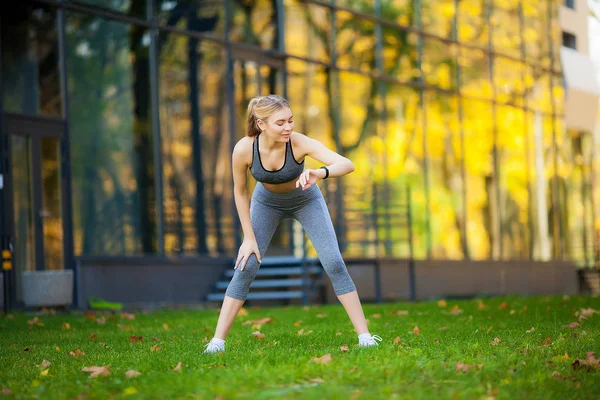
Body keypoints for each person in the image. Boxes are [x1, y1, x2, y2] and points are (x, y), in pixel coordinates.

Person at [203, 94, 382, 354]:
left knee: (333, 262)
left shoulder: (298, 143)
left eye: (291, 120)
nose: (288, 127)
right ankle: (217, 342)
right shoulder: (244, 148)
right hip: (266, 203)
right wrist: (248, 238)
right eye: (280, 123)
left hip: (305, 200)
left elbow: (347, 163)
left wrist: (320, 173)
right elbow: (240, 192)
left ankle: (365, 336)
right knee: (247, 265)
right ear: (261, 124)